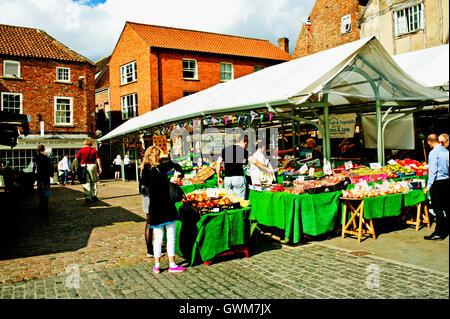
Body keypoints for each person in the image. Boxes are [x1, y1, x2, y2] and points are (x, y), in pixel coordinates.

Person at [139, 146, 186, 273]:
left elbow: (148, 187)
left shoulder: (144, 171)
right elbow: (175, 164)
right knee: (170, 237)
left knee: (158, 238)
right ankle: (172, 264)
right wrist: (178, 176)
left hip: (154, 208)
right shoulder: (161, 168)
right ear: (156, 156)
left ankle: (157, 265)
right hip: (167, 207)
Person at [215, 134, 264, 199]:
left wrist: (219, 177)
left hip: (227, 179)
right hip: (238, 178)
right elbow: (254, 161)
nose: (245, 147)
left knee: (229, 200)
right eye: (246, 145)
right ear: (242, 142)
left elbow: (218, 163)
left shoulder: (225, 150)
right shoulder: (242, 150)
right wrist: (265, 168)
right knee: (239, 201)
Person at [423, 134, 449, 241]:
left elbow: (432, 172)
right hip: (447, 181)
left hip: (437, 183)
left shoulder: (433, 153)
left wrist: (428, 186)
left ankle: (439, 232)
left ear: (430, 142)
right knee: (446, 207)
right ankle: (445, 228)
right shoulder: (446, 152)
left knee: (437, 208)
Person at [75, 139, 102, 203]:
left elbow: (76, 159)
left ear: (84, 144)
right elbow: (98, 159)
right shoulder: (94, 150)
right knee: (94, 181)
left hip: (83, 166)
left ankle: (87, 197)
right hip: (92, 165)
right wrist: (100, 167)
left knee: (85, 181)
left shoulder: (81, 150)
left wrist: (76, 167)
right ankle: (94, 195)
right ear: (91, 144)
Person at [33, 144, 54, 213]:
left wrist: (34, 173)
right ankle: (46, 203)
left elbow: (35, 166)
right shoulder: (46, 157)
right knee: (46, 188)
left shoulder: (36, 157)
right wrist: (51, 174)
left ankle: (41, 202)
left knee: (40, 189)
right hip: (46, 175)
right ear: (44, 149)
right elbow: (50, 166)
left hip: (39, 175)